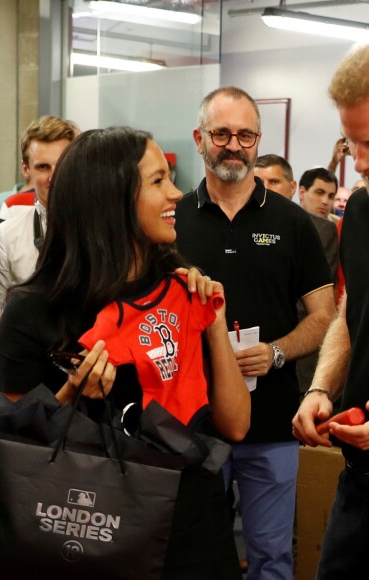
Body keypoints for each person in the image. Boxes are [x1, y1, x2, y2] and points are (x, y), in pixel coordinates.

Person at [0, 126, 250, 579]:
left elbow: (235, 424)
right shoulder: (33, 309)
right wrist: (74, 389)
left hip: (193, 525)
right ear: (110, 197)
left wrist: (214, 321)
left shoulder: (184, 284)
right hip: (90, 532)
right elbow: (17, 448)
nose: (175, 192)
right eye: (157, 181)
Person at [175, 86, 335, 580]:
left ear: (258, 140)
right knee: (192, 557)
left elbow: (324, 314)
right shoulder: (172, 219)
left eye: (245, 135)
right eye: (221, 133)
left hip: (270, 422)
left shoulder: (293, 222)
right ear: (200, 138)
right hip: (191, 424)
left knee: (271, 557)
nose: (233, 145)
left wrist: (277, 353)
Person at [292, 43, 369, 579]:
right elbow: (352, 311)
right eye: (352, 143)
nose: (359, 163)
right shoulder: (363, 210)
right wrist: (321, 388)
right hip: (362, 477)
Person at [254, 155, 338, 391]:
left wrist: (281, 347)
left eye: (273, 181)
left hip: (296, 354)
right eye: (259, 181)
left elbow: (315, 307)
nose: (265, 188)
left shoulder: (317, 228)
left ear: (293, 188)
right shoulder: (243, 225)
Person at [0, 115, 77, 333]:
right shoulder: (6, 237)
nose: (54, 177)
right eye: (43, 167)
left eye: (62, 164)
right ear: (26, 170)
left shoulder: (102, 230)